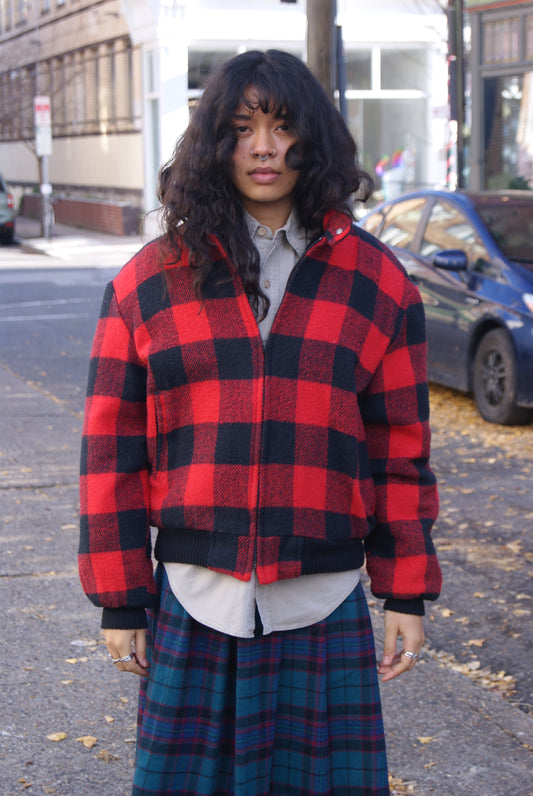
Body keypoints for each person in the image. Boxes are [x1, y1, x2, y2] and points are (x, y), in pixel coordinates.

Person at [79, 49, 442, 796]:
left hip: (321, 595)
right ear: (214, 142)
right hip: (193, 592)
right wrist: (121, 598)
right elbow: (108, 455)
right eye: (241, 127)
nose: (263, 146)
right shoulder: (150, 283)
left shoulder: (378, 284)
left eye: (281, 127)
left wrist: (405, 588)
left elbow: (398, 450)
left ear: (312, 140)